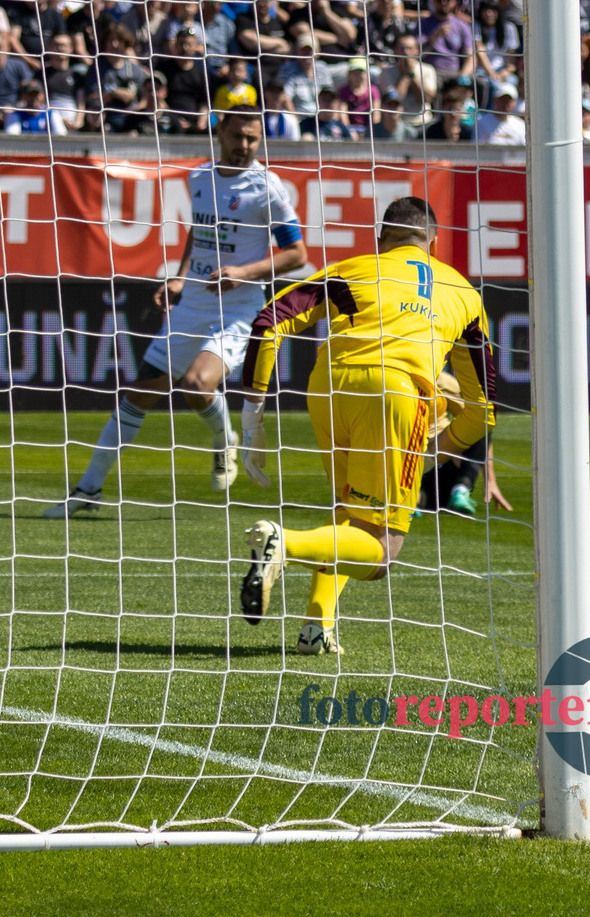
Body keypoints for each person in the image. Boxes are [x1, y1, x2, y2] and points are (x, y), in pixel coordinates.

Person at [233, 194, 491, 657]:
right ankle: (282, 544)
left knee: (350, 511)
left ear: (380, 238)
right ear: (434, 242)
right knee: (382, 550)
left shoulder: (352, 270)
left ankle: (318, 624)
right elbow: (483, 407)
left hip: (329, 387)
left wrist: (252, 418)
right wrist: (444, 446)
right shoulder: (464, 293)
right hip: (397, 393)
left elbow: (268, 322)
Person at [46, 110, 307, 515]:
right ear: (219, 133)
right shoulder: (199, 178)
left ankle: (225, 440)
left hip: (237, 307)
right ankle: (88, 490)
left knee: (197, 385)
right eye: (237, 136)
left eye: (253, 139)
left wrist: (244, 272)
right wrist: (181, 278)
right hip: (194, 302)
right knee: (138, 394)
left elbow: (296, 254)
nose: (244, 146)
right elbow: (200, 232)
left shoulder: (266, 188)